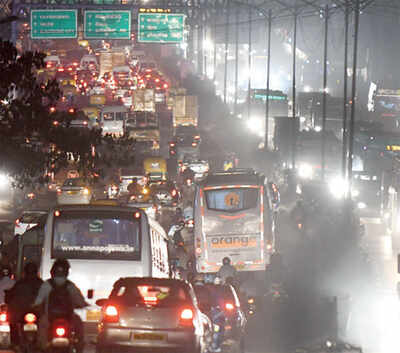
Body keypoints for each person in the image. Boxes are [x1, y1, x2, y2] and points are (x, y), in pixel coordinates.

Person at [33, 259, 88, 353]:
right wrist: (83, 304)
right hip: (68, 318)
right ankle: (79, 346)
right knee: (79, 327)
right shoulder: (70, 285)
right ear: (67, 272)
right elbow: (80, 300)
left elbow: (38, 301)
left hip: (49, 317)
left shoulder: (47, 284)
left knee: (41, 331)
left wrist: (34, 306)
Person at [6, 262, 43, 347]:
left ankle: (15, 343)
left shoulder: (20, 284)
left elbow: (9, 297)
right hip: (31, 314)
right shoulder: (42, 284)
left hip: (26, 314)